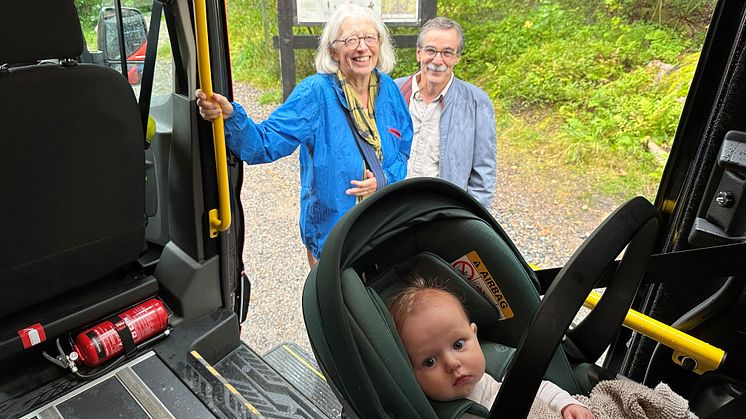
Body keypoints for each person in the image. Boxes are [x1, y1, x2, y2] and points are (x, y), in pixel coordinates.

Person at [195, 4, 413, 267]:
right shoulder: (315, 93)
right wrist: (231, 116)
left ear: (379, 43)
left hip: (380, 227)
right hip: (334, 236)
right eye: (350, 40)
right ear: (333, 49)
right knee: (334, 305)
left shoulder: (389, 89)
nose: (361, 47)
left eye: (369, 38)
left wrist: (384, 177)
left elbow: (402, 149)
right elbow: (264, 144)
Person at [388, 277, 595, 419]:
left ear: (474, 334)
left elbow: (536, 389)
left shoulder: (493, 378)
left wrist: (568, 405)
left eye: (458, 345)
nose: (452, 363)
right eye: (430, 361)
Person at [395, 17, 497, 210]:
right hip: (391, 207)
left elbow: (484, 172)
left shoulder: (476, 102)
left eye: (447, 53)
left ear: (457, 57)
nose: (437, 60)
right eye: (431, 51)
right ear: (418, 53)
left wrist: (473, 219)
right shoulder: (393, 91)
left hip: (441, 212)